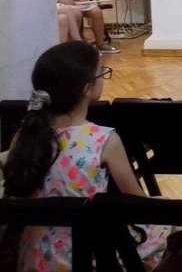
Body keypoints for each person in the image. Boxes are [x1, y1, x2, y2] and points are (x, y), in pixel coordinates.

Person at [1, 41, 169, 271]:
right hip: (91, 257)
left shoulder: (25, 134)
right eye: (102, 73)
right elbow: (137, 204)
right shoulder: (104, 140)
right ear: (87, 88)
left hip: (34, 260)